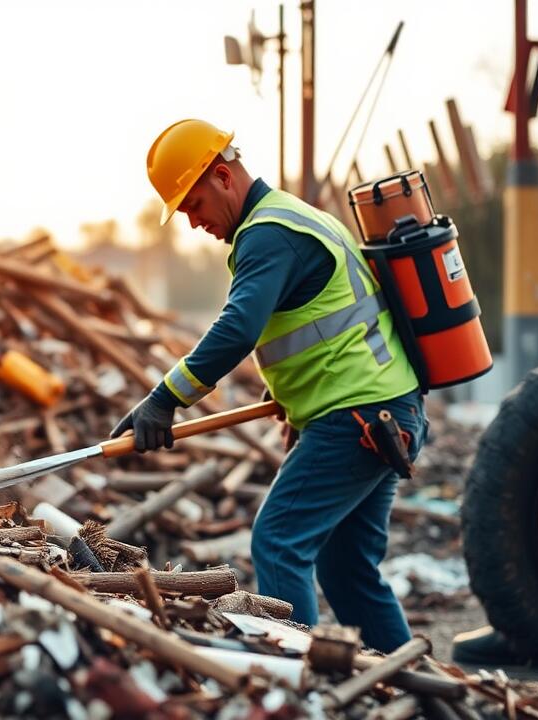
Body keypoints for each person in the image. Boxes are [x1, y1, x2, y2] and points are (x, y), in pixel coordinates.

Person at [111, 119, 428, 652]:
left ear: (222, 177)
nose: (193, 224)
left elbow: (237, 329)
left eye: (193, 206)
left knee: (278, 542)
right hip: (384, 411)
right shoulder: (290, 218)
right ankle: (410, 689)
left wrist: (164, 400)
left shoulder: (267, 234)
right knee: (348, 567)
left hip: (358, 418)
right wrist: (290, 394)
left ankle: (297, 690)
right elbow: (325, 323)